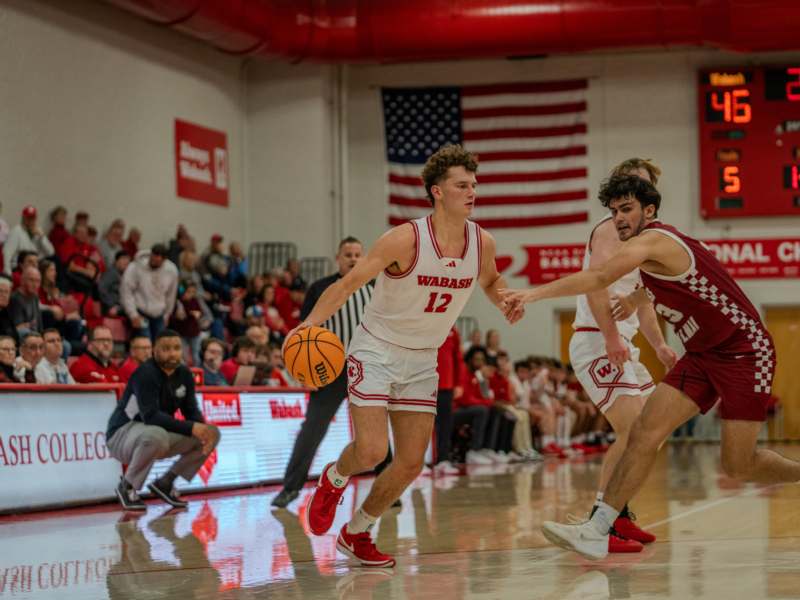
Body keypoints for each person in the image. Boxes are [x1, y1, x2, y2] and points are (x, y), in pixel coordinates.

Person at [501, 174, 796, 560]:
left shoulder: (653, 240)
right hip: (703, 354)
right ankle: (597, 528)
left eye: (627, 209)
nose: (619, 218)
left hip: (744, 352)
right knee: (643, 431)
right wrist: (640, 300)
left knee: (738, 465)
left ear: (650, 210)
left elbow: (599, 276)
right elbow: (660, 282)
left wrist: (532, 293)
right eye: (614, 211)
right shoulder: (650, 255)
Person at [287, 144, 521, 567]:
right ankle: (334, 478)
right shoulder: (404, 239)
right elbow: (347, 285)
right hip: (376, 349)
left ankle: (356, 533)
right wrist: (310, 325)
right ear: (436, 191)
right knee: (372, 451)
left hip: (422, 358)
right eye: (462, 185)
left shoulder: (481, 241)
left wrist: (504, 300)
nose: (472, 192)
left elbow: (491, 280)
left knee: (412, 463)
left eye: (474, 185)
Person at [567, 158, 677, 552]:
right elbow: (597, 286)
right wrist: (612, 336)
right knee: (632, 430)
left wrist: (661, 346)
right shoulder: (609, 231)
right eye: (630, 189)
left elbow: (644, 301)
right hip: (596, 338)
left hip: (621, 342)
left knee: (651, 433)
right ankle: (603, 523)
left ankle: (619, 514)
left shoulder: (649, 239)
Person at [271, 236, 373, 508]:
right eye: (348, 254)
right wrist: (304, 375)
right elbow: (303, 333)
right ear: (337, 258)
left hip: (367, 369)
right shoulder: (320, 288)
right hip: (329, 371)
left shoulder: (375, 286)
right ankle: (290, 488)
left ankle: (387, 490)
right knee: (313, 429)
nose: (353, 258)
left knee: (373, 431)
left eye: (357, 254)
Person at [105, 329, 221, 511]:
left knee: (211, 433)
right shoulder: (145, 374)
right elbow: (150, 416)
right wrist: (192, 428)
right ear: (154, 351)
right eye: (166, 348)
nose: (172, 353)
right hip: (122, 434)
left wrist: (203, 429)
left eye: (176, 348)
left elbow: (191, 411)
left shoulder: (184, 374)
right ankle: (127, 486)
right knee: (156, 434)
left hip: (153, 434)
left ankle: (165, 482)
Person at [121, 244, 179, 341]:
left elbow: (171, 294)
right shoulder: (136, 266)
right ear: (151, 255)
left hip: (159, 313)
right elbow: (126, 291)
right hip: (141, 311)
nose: (156, 260)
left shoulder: (171, 270)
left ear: (164, 260)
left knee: (160, 343)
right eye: (154, 257)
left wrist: (167, 314)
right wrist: (133, 314)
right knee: (145, 341)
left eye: (159, 260)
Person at [3, 205, 54, 275]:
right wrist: (8, 273)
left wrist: (42, 237)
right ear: (23, 218)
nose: (30, 221)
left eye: (32, 218)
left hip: (34, 267)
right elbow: (7, 253)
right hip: (18, 268)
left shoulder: (39, 232)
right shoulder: (16, 231)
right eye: (28, 218)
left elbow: (51, 252)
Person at [9, 266, 43, 335]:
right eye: (31, 280)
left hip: (36, 336)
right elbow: (20, 328)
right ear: (22, 280)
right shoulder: (15, 299)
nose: (35, 284)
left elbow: (39, 324)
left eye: (38, 281)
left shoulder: (35, 297)